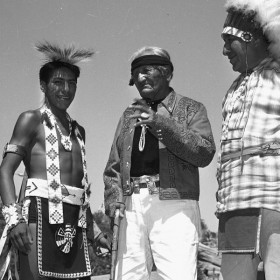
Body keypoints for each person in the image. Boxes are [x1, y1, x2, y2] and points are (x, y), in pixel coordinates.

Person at [104, 46, 216, 280]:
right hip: (130, 206)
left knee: (178, 275)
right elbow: (114, 164)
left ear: (167, 73)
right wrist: (114, 201)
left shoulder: (191, 108)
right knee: (127, 276)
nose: (140, 77)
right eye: (136, 74)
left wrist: (161, 123)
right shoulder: (128, 115)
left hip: (175, 204)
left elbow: (204, 152)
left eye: (147, 70)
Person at [0, 42, 109, 280]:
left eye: (72, 83)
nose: (66, 89)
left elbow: (79, 191)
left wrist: (95, 232)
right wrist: (14, 220)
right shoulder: (31, 119)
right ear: (43, 85)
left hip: (75, 226)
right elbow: (6, 171)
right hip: (37, 220)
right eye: (58, 82)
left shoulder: (79, 131)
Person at [216, 1, 280, 279]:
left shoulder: (277, 76)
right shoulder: (232, 89)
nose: (224, 50)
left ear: (250, 39)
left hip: (273, 198)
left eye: (230, 40)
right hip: (233, 202)